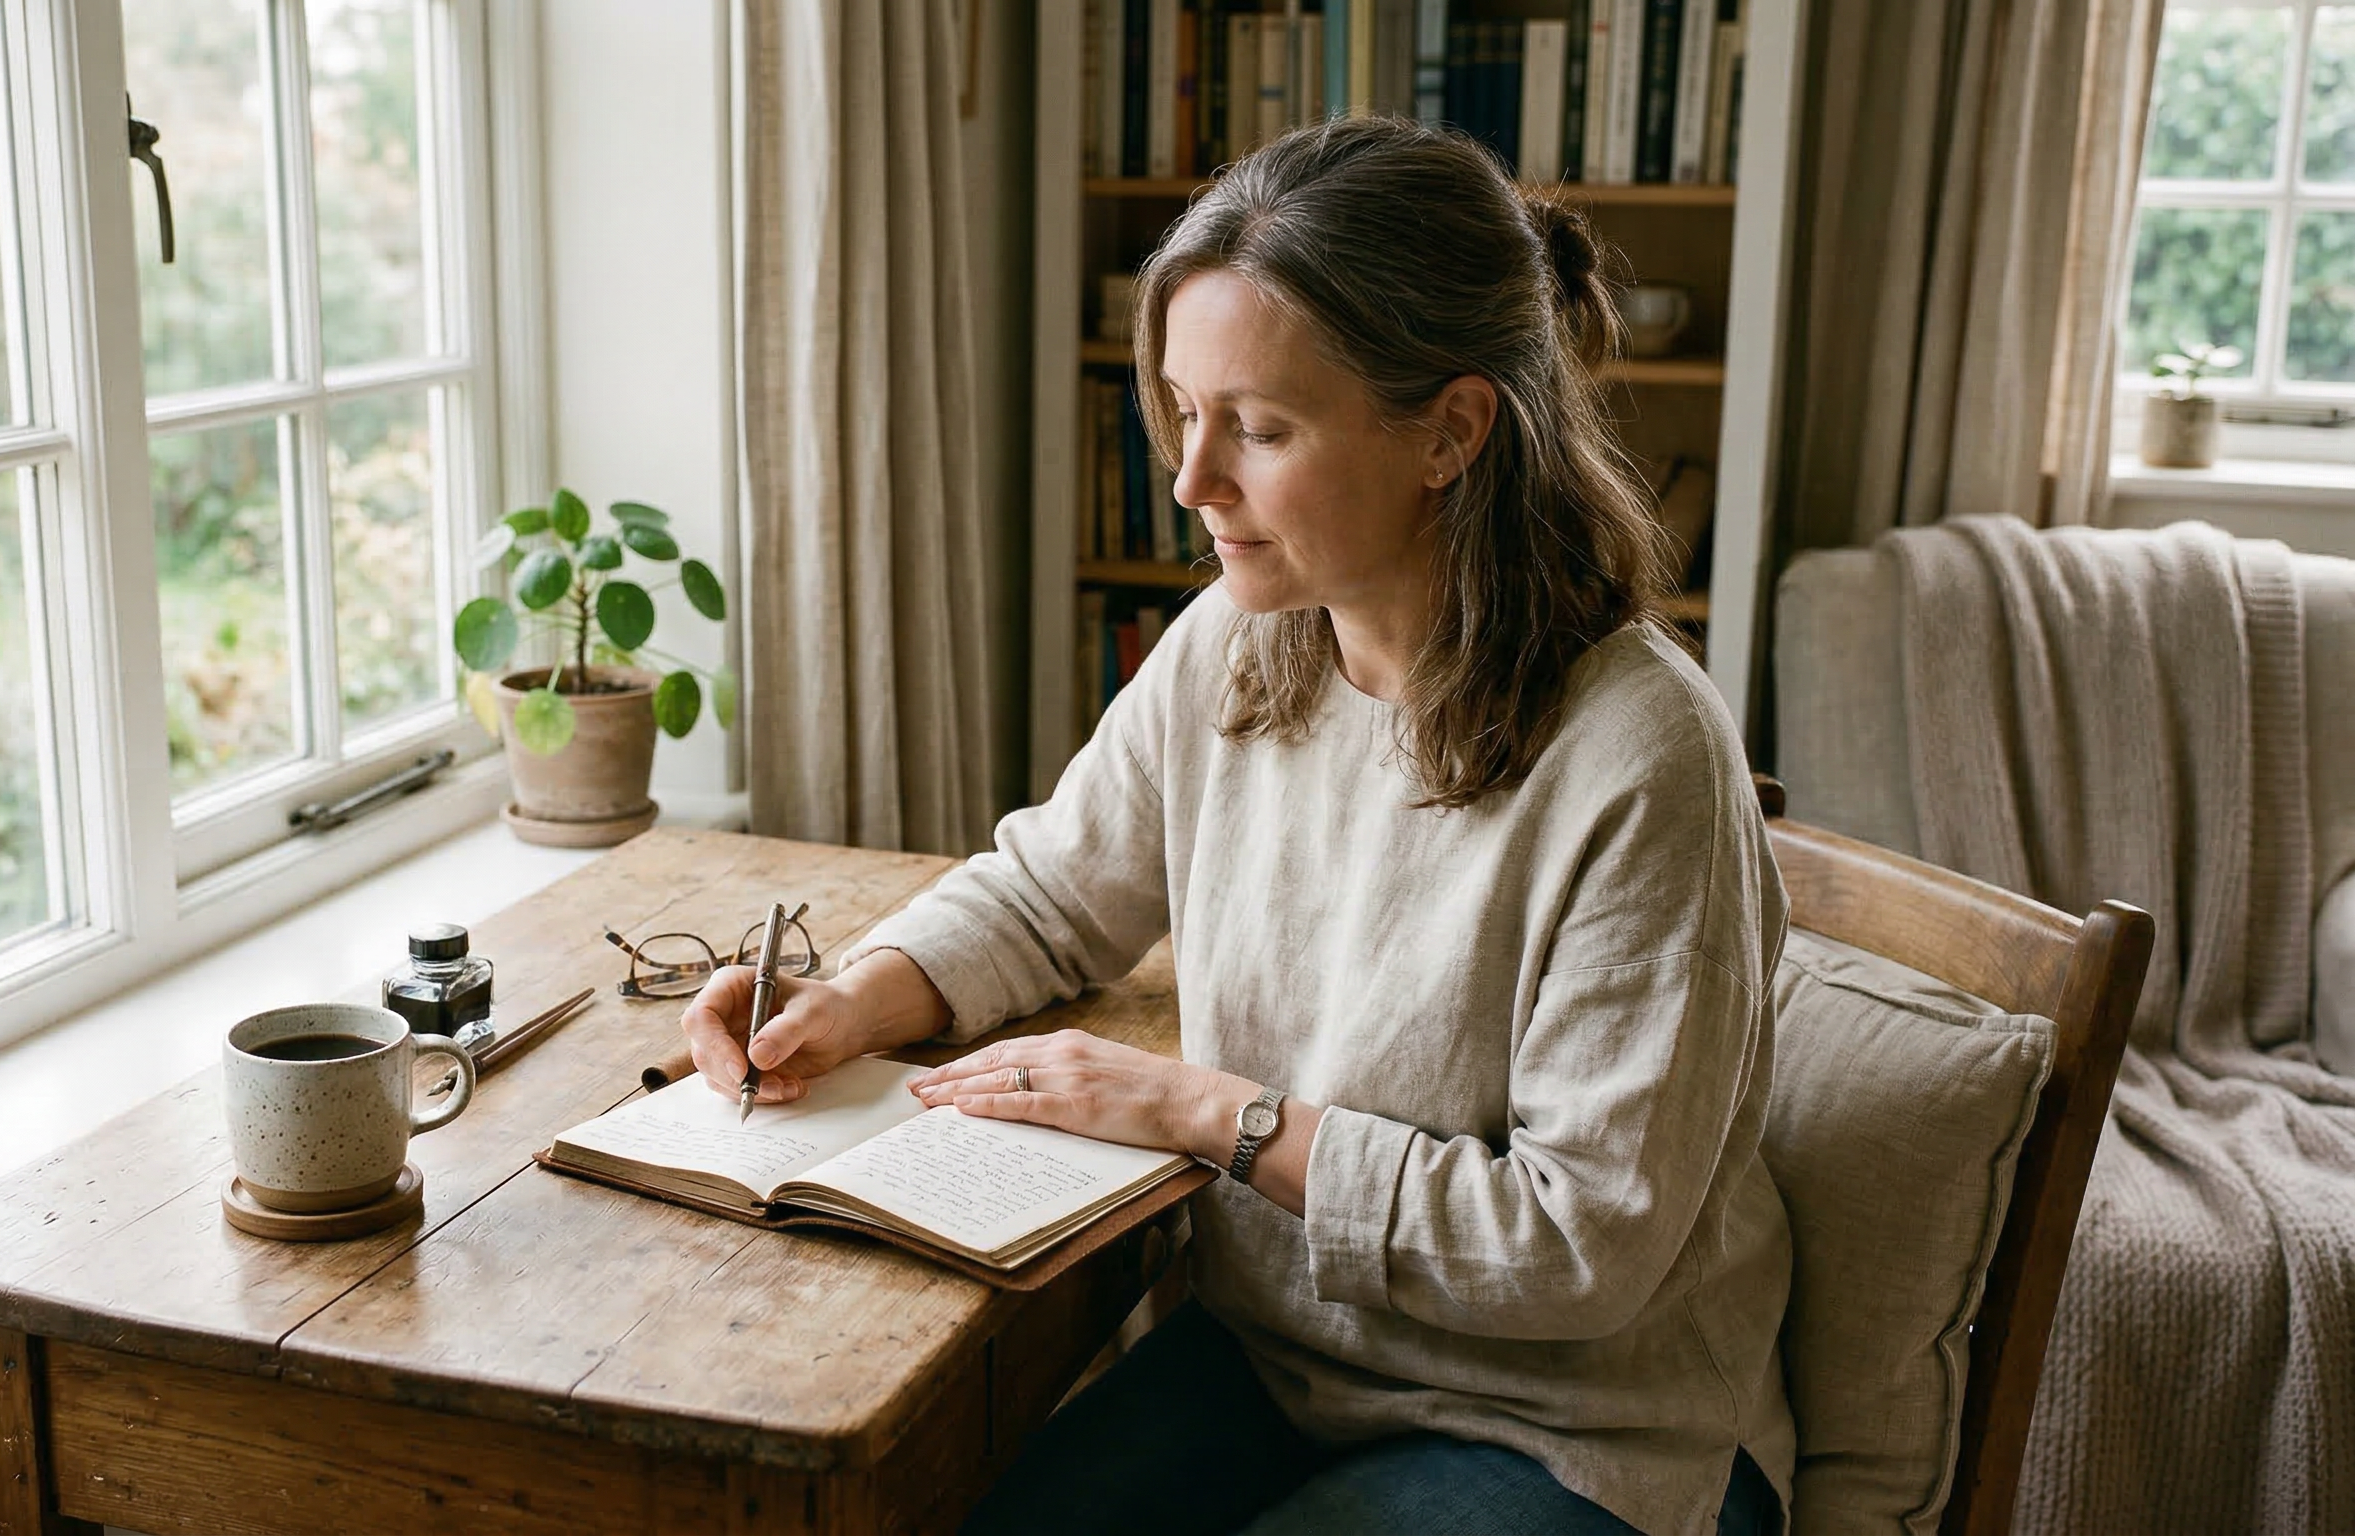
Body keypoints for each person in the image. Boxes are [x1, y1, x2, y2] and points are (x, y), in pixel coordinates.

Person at [681, 114, 1792, 1536]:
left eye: (1260, 430)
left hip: (1581, 1428)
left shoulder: (1645, 759)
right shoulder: (1241, 640)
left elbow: (1579, 1249)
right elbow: (1053, 890)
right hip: (1284, 1361)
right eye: (1183, 412)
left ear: (1451, 433)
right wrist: (854, 998)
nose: (1193, 481)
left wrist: (1204, 1112)